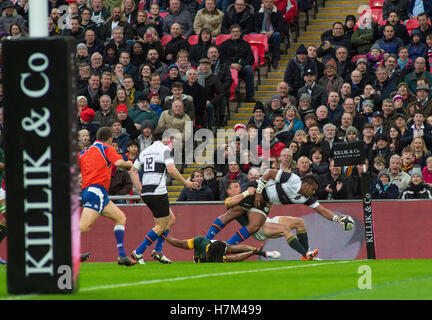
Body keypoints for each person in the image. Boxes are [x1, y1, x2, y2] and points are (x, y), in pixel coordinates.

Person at [205, 169, 351, 252]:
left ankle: (225, 247)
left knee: (255, 226)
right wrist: (257, 192)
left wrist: (337, 219)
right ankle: (205, 241)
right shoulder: (293, 179)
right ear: (306, 184)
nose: (313, 193)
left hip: (265, 202)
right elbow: (268, 173)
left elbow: (322, 210)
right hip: (256, 189)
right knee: (232, 212)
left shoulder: (305, 198)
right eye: (313, 189)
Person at [129, 127, 198, 264]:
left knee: (170, 220)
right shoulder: (165, 150)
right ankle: (138, 252)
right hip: (158, 191)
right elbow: (171, 170)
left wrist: (138, 187)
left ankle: (158, 251)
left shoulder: (145, 151)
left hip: (147, 191)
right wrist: (186, 183)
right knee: (161, 225)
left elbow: (133, 171)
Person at [79, 126, 135, 266]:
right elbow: (118, 162)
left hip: (94, 191)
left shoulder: (87, 151)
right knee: (84, 227)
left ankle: (122, 256)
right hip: (96, 191)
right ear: (110, 138)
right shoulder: (106, 148)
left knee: (120, 218)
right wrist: (129, 163)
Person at [220, 24, 256, 102]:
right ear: (230, 33)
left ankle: (249, 97)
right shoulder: (224, 45)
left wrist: (240, 65)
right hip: (228, 69)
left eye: (237, 32)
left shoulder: (246, 44)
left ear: (240, 33)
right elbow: (221, 59)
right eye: (233, 32)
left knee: (249, 69)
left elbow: (251, 59)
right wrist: (231, 65)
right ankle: (227, 96)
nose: (235, 33)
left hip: (241, 69)